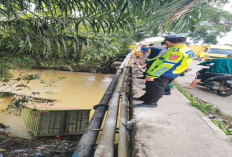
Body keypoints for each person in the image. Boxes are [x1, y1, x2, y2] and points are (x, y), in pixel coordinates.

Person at [132, 35, 194, 107]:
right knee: (150, 86)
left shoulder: (178, 51)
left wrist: (152, 75)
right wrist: (147, 61)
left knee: (156, 88)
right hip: (170, 72)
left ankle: (151, 103)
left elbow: (166, 65)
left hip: (165, 73)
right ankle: (145, 98)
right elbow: (161, 58)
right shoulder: (181, 49)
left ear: (167, 42)